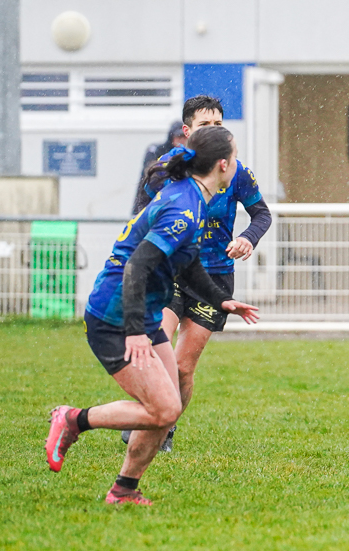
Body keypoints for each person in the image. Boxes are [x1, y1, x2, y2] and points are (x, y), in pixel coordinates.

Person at [44, 126, 259, 505]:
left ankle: (124, 490)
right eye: (235, 155)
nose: (238, 162)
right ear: (223, 165)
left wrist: (220, 299)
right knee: (164, 408)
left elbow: (187, 262)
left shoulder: (193, 196)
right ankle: (73, 419)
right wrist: (134, 332)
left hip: (139, 313)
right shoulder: (183, 208)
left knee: (167, 407)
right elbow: (136, 268)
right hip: (114, 318)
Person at [123, 95, 272, 451]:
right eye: (206, 125)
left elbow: (262, 214)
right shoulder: (167, 169)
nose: (214, 130)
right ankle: (147, 413)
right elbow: (142, 212)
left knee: (182, 367)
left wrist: (247, 238)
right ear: (187, 131)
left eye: (219, 124)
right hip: (172, 271)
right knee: (157, 348)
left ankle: (165, 427)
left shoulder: (235, 170)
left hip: (215, 276)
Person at [132, 121, 187, 215]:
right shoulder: (157, 151)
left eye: (184, 137)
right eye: (178, 136)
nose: (181, 140)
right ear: (171, 137)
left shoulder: (188, 154)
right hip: (152, 197)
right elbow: (149, 174)